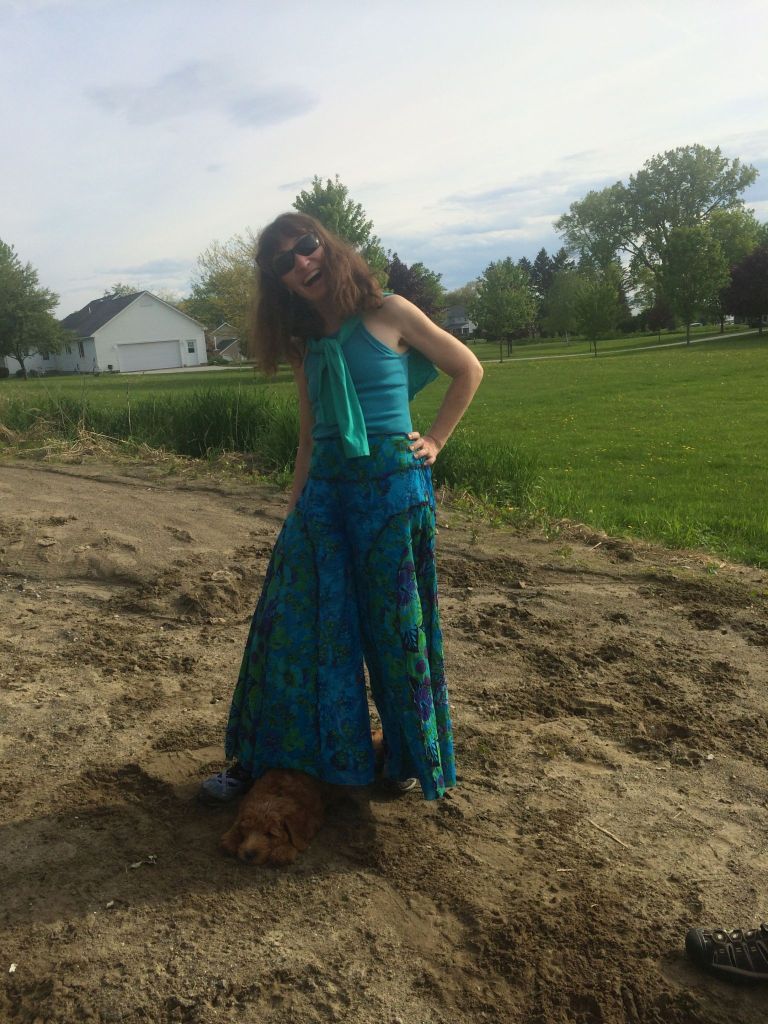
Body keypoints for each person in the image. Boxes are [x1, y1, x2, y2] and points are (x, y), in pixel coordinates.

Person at [199, 212, 483, 804]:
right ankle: (262, 761)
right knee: (292, 628)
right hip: (326, 489)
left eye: (305, 246)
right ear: (279, 281)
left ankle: (404, 759)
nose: (301, 262)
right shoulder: (304, 344)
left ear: (326, 245)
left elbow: (467, 368)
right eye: (284, 262)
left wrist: (435, 439)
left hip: (392, 494)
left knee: (395, 631)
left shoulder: (391, 312)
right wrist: (295, 510)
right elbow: (309, 435)